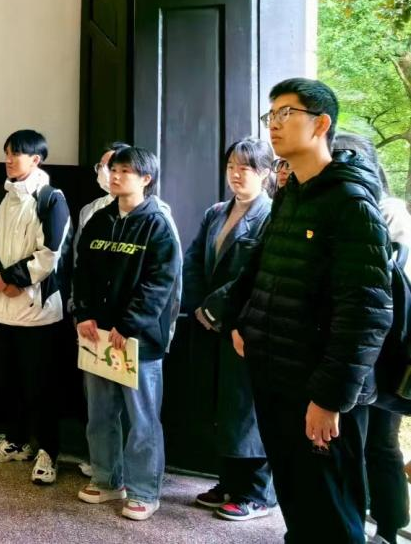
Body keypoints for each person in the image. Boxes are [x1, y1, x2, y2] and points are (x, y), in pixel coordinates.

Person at [227, 79, 392, 543]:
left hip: (319, 388)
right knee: (298, 500)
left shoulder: (350, 202)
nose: (274, 124)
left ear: (321, 124)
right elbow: (261, 268)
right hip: (277, 375)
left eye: (287, 113)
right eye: (271, 115)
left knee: (332, 512)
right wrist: (242, 322)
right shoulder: (292, 193)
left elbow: (366, 311)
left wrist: (329, 398)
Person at [73, 145, 182, 521]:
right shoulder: (99, 220)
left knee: (142, 419)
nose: (114, 176)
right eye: (112, 169)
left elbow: (160, 284)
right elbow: (82, 271)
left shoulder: (158, 224)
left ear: (146, 179)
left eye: (124, 171)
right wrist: (84, 313)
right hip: (98, 337)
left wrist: (129, 324)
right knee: (100, 414)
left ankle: (143, 491)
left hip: (138, 341)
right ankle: (106, 480)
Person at [183, 137, 276, 521]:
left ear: (265, 173)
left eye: (246, 168)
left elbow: (256, 277)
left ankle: (256, 493)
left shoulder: (271, 215)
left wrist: (216, 308)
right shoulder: (217, 212)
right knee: (221, 405)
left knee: (247, 409)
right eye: (231, 167)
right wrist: (197, 305)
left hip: (244, 325)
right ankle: (228, 483)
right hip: (208, 324)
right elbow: (192, 261)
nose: (236, 175)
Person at [0, 129, 71, 486]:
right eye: (7, 153)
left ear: (36, 159)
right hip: (1, 306)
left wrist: (14, 279)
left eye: (17, 154)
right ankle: (15, 440)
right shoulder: (0, 197)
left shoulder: (51, 199)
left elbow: (51, 252)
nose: (9, 160)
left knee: (40, 384)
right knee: (8, 379)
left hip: (37, 310)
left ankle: (47, 450)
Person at [332, 131, 411, 544]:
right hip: (360, 350)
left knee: (378, 443)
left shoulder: (389, 212)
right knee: (359, 443)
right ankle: (360, 523)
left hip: (385, 352)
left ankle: (388, 526)